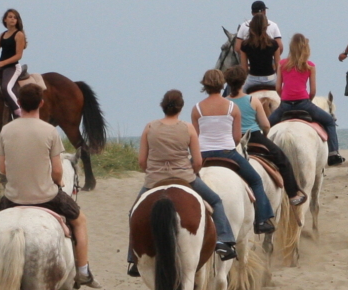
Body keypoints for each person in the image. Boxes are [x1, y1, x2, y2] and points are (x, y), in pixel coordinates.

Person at [0, 82, 99, 288]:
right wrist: (58, 181)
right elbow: (58, 171)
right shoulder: (50, 131)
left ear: (19, 103)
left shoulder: (6, 130)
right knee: (80, 221)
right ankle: (83, 271)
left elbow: (2, 168)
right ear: (41, 103)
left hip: (13, 197)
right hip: (46, 196)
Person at [128, 89, 236, 276]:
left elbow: (142, 161)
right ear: (180, 108)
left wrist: (153, 172)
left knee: (133, 213)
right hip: (185, 177)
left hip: (154, 179)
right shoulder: (188, 128)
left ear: (162, 106)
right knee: (216, 201)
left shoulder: (149, 127)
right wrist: (190, 171)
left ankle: (133, 258)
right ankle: (223, 240)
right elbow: (198, 161)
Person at [192, 71, 276, 234]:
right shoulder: (232, 107)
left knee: (180, 180)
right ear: (222, 84)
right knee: (256, 180)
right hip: (227, 152)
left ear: (205, 85)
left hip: (203, 155)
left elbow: (195, 138)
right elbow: (237, 137)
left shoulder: (197, 109)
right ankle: (261, 220)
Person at [270, 33, 346, 167]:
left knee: (265, 125)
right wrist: (308, 100)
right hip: (304, 104)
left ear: (291, 47)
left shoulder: (282, 64)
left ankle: (261, 153)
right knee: (329, 121)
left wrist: (285, 97)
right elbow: (313, 91)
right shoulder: (310, 66)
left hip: (285, 105)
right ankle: (333, 153)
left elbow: (278, 88)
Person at [232, 75, 307, 206]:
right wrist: (265, 136)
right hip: (254, 136)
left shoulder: (225, 102)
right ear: (243, 82)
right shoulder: (252, 100)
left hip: (233, 138)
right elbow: (266, 125)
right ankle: (293, 194)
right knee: (283, 160)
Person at [236, 12, 281, 94]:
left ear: (252, 26)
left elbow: (244, 69)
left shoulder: (245, 45)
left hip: (253, 79)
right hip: (270, 79)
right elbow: (278, 67)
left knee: (241, 95)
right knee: (284, 95)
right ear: (266, 27)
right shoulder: (274, 44)